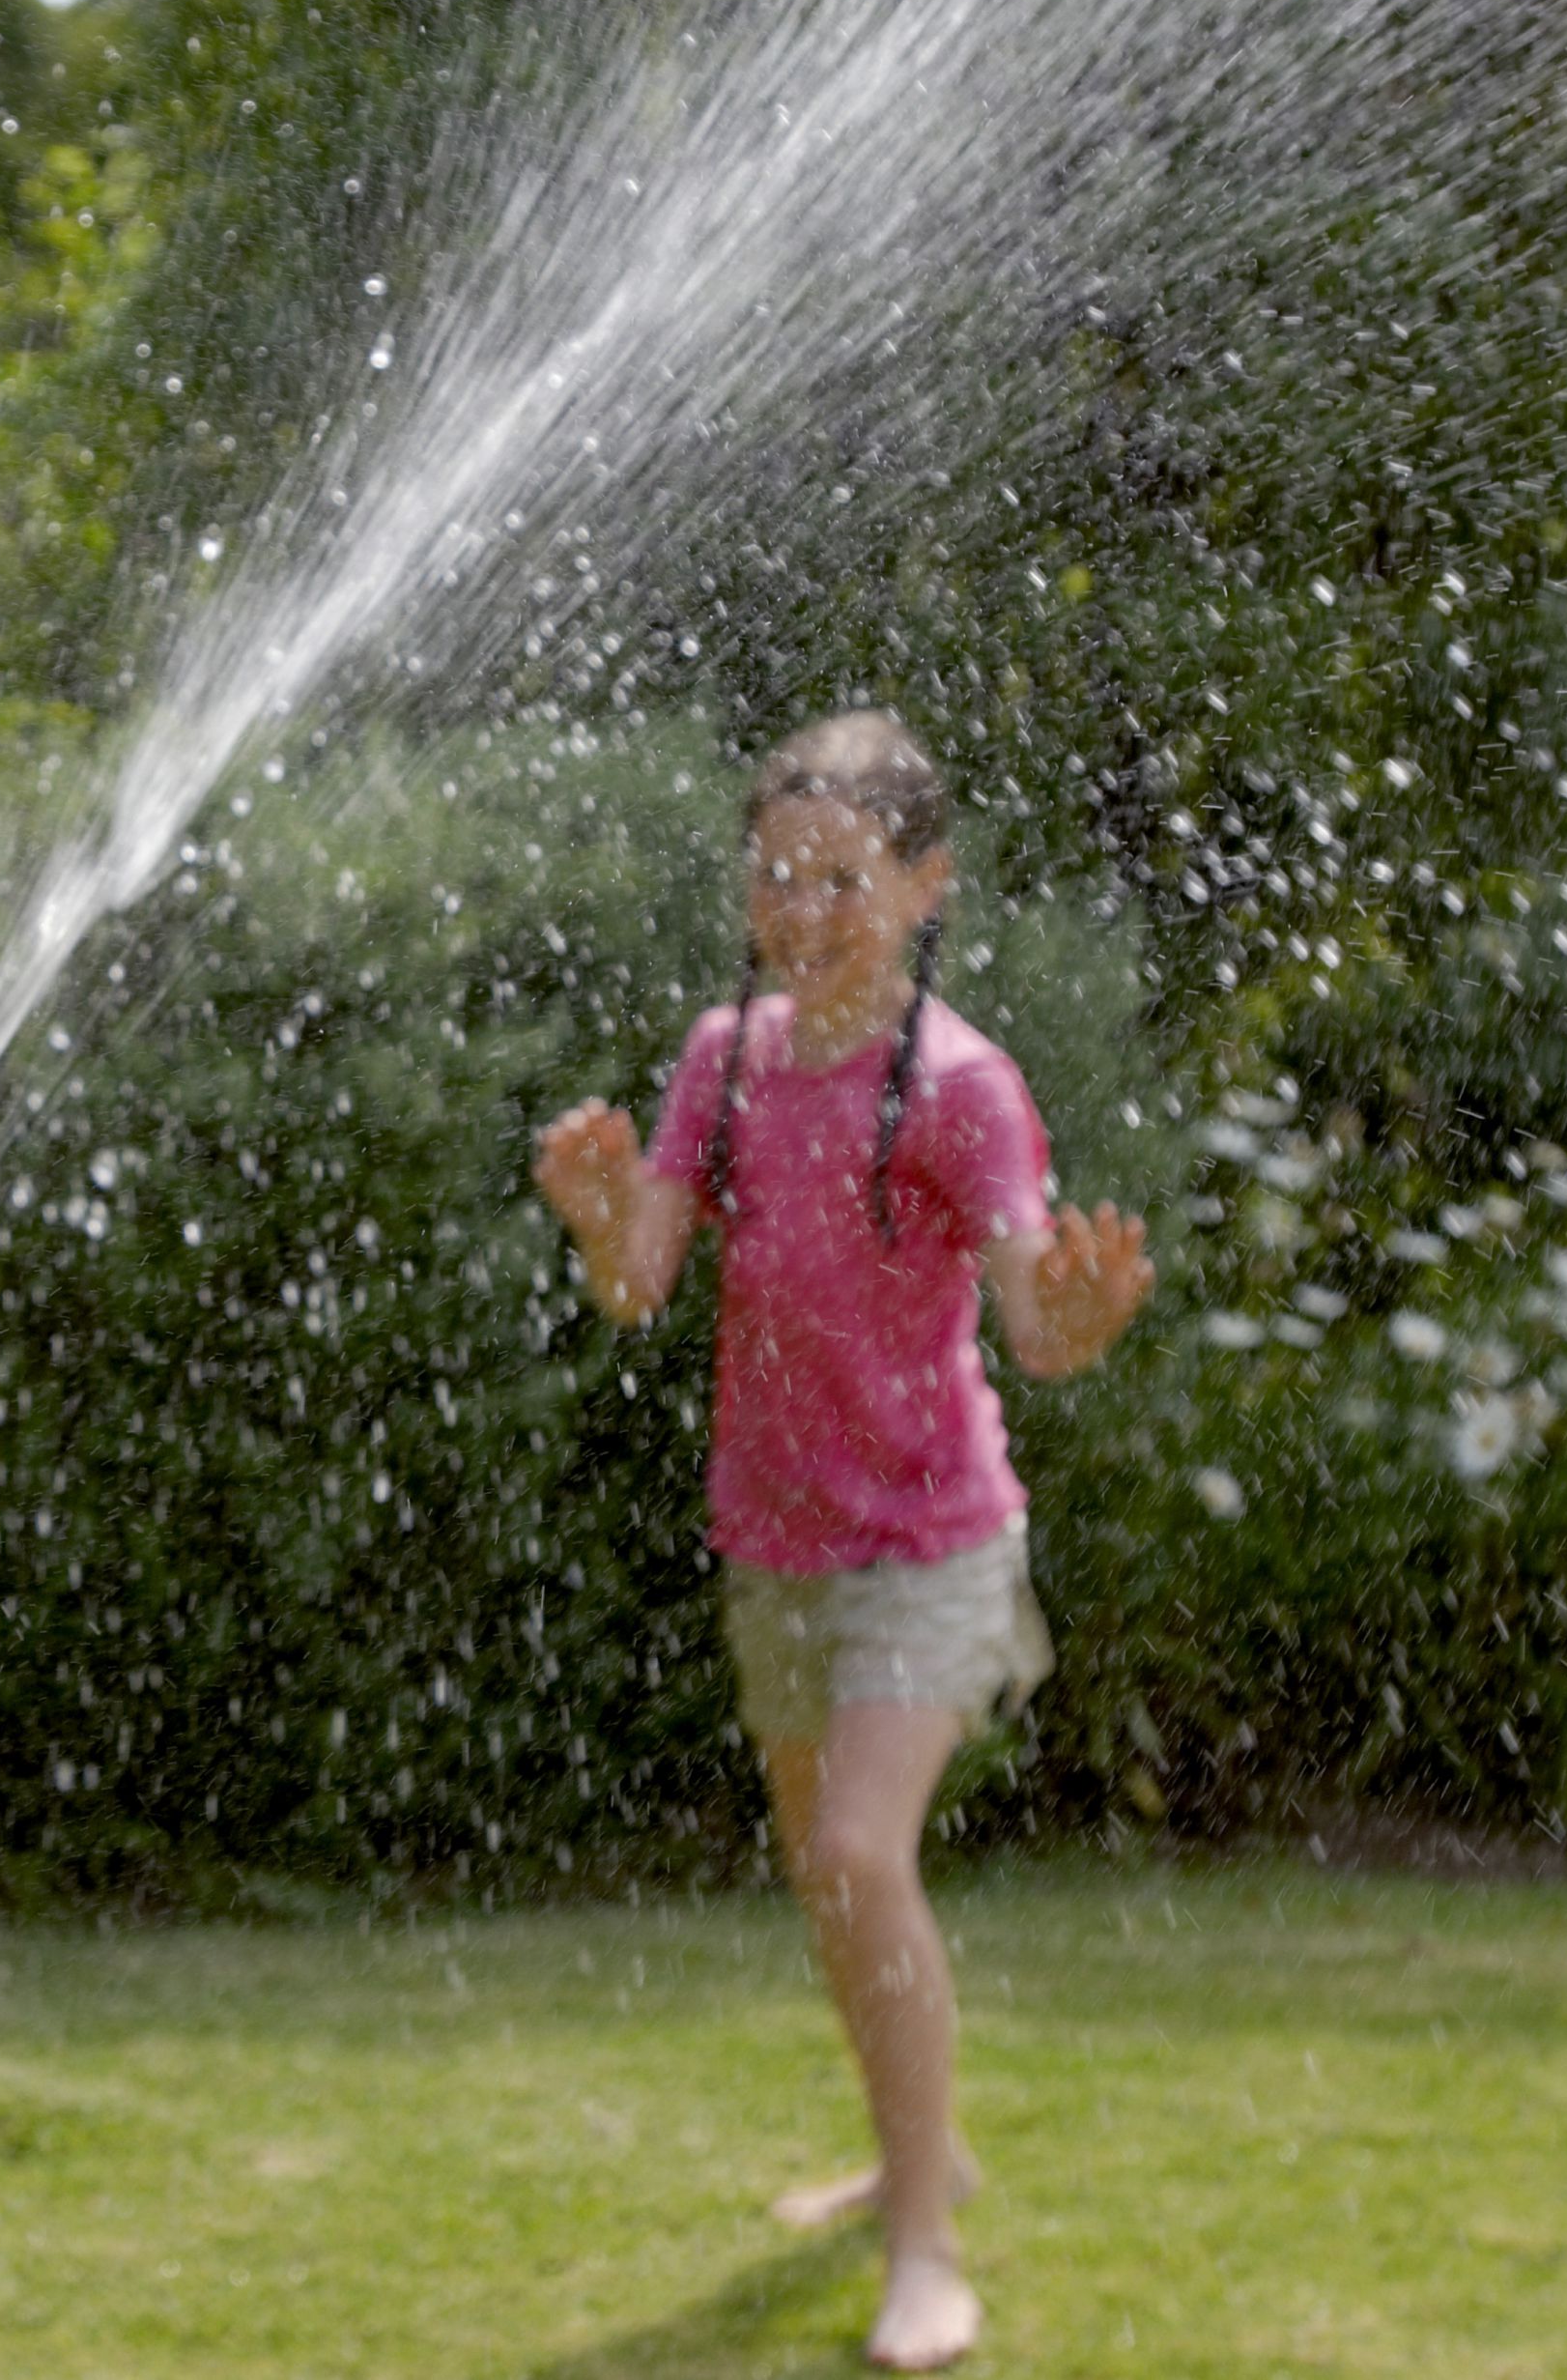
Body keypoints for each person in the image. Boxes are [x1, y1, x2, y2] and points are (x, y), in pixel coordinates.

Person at [531, 708, 1152, 2372]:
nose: (802, 910)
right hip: (774, 1535)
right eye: (774, 875)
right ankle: (910, 2143)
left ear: (923, 880)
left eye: (843, 877)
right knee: (827, 1881)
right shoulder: (721, 1059)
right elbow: (638, 1283)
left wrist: (1077, 1324)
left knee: (862, 1857)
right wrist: (601, 1219)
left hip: (934, 1540)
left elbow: (1030, 1314)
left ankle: (925, 2247)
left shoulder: (958, 1089)